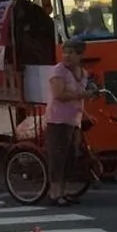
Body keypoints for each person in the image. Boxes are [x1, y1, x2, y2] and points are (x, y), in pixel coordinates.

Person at [46, 38, 97, 206]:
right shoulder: (58, 71)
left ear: (80, 55)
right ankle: (55, 194)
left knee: (70, 157)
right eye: (65, 52)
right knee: (58, 157)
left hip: (74, 121)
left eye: (71, 53)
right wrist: (82, 96)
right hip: (58, 120)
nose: (67, 56)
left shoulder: (83, 73)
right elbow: (59, 95)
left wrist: (86, 114)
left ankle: (65, 191)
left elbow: (79, 100)